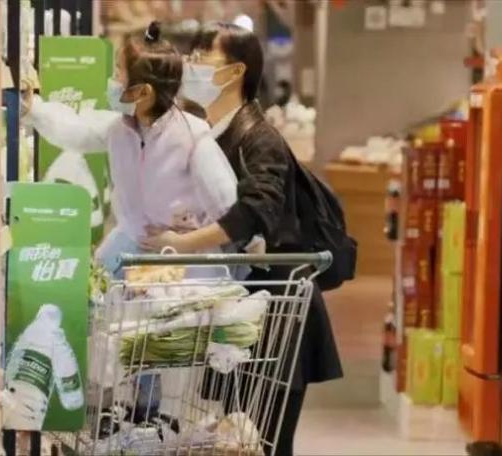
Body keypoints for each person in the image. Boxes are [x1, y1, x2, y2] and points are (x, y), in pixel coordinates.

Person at [141, 22, 343, 456]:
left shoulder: (258, 137)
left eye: (202, 59)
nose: (191, 66)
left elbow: (255, 212)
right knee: (236, 439)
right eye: (190, 57)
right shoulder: (208, 130)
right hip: (243, 306)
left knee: (263, 440)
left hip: (276, 308)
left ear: (235, 72)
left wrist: (184, 243)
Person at [22, 22, 237, 277]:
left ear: (143, 92)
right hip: (129, 253)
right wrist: (33, 108)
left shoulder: (193, 138)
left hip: (184, 269)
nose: (112, 82)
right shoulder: (119, 129)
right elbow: (78, 130)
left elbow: (233, 215)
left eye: (117, 73)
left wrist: (183, 242)